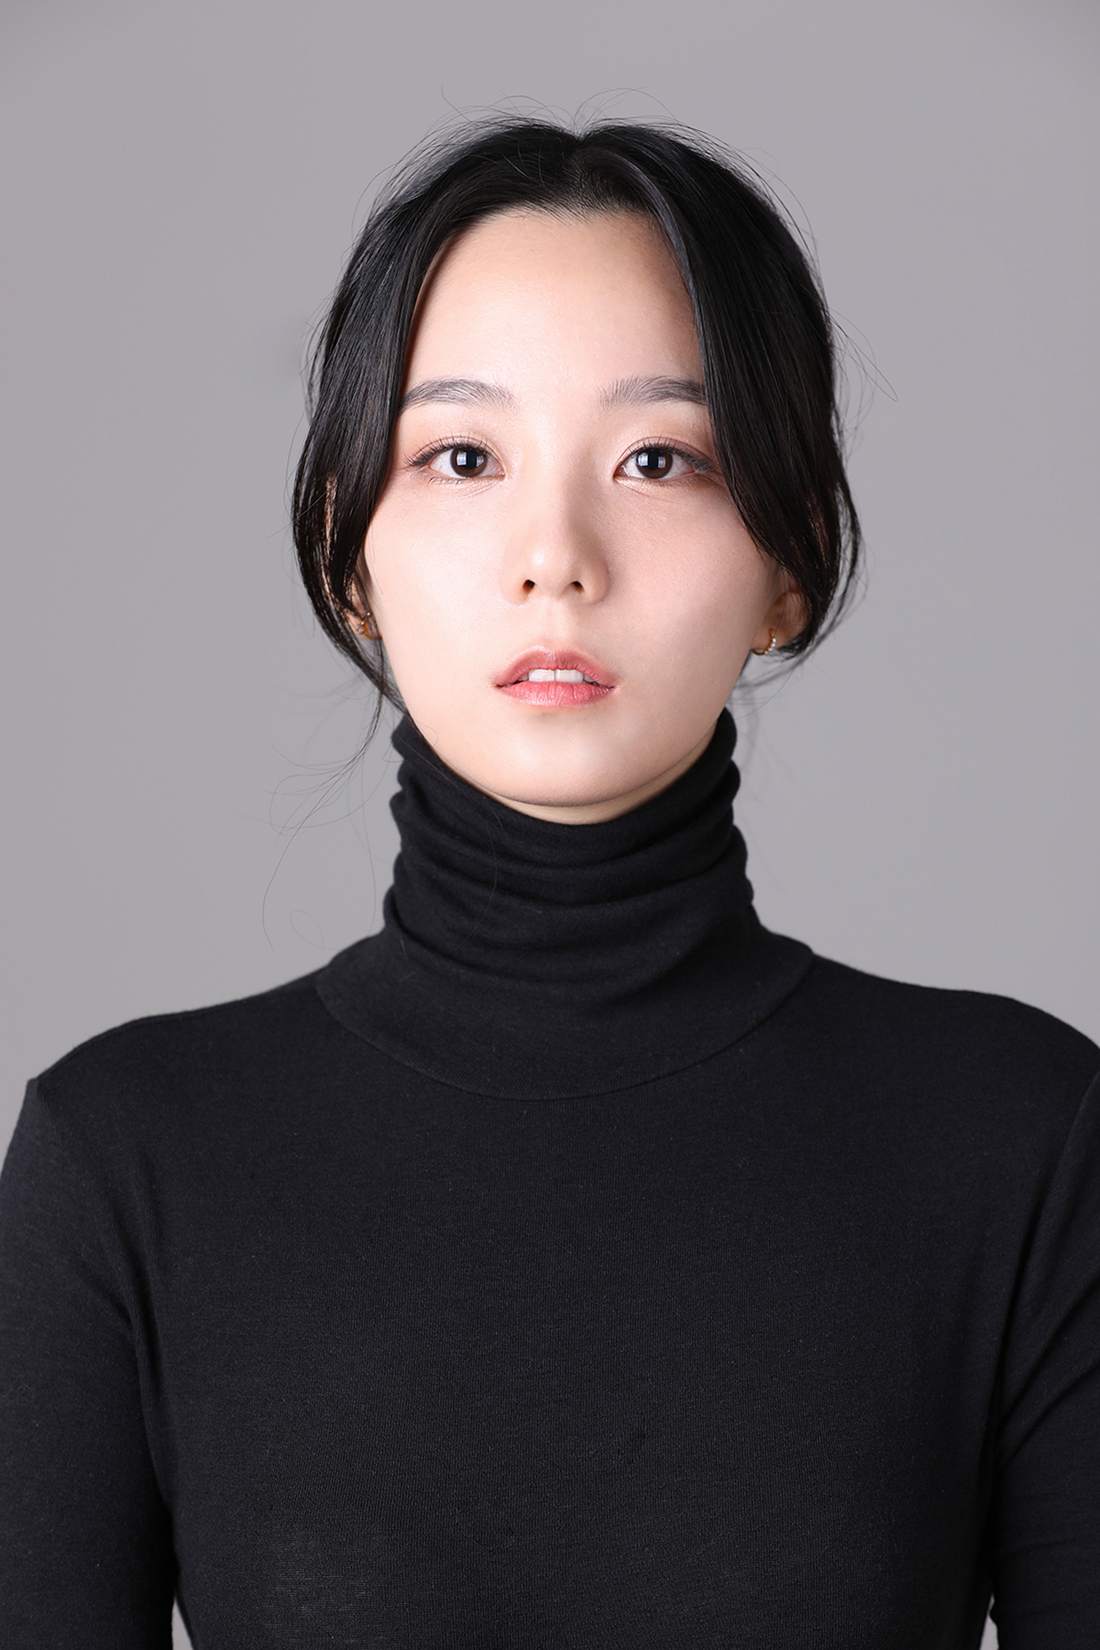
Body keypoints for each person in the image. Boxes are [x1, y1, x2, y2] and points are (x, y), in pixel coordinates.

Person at [1, 115, 1097, 1649]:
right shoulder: (121, 1159)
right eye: (463, 457)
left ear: (789, 562)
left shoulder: (1024, 1138)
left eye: (659, 458)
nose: (556, 556)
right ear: (348, 552)